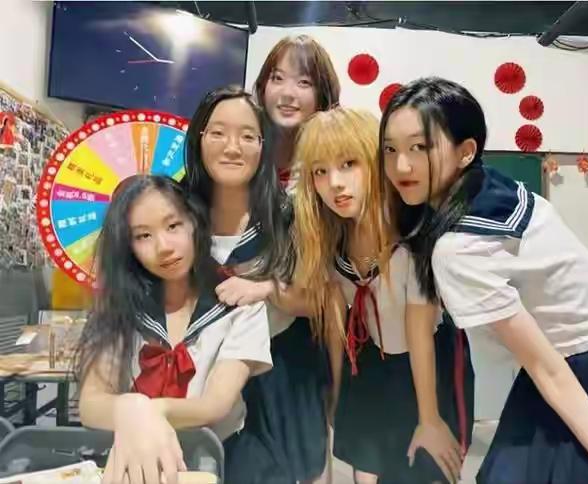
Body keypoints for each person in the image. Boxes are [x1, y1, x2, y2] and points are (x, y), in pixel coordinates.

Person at [380, 76, 588, 484]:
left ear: (466, 151)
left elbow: (548, 370)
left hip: (586, 368)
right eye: (390, 149)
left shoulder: (459, 247)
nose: (401, 166)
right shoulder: (492, 186)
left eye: (420, 147)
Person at [292, 106, 469, 483]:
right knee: (365, 469)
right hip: (369, 366)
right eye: (320, 171)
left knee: (423, 470)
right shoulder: (331, 237)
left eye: (349, 164)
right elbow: (337, 324)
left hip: (428, 366)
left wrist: (429, 419)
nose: (334, 183)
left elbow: (419, 332)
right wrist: (337, 391)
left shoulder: (414, 234)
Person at [75, 175, 272, 484]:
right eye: (143, 235)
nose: (164, 247)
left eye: (173, 226)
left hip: (222, 459)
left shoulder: (239, 304)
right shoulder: (117, 308)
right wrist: (132, 407)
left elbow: (214, 405)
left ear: (194, 222)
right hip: (136, 463)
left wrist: (148, 411)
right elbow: (90, 405)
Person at [183, 86, 326, 483]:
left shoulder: (288, 215)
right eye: (218, 133)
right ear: (198, 138)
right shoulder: (174, 212)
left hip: (278, 377)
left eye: (248, 136)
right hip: (194, 377)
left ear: (264, 146)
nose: (233, 147)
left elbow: (323, 298)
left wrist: (266, 289)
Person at [254, 34, 340, 193]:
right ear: (263, 86)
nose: (287, 93)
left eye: (304, 82)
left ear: (322, 95)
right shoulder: (244, 152)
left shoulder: (335, 168)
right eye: (278, 78)